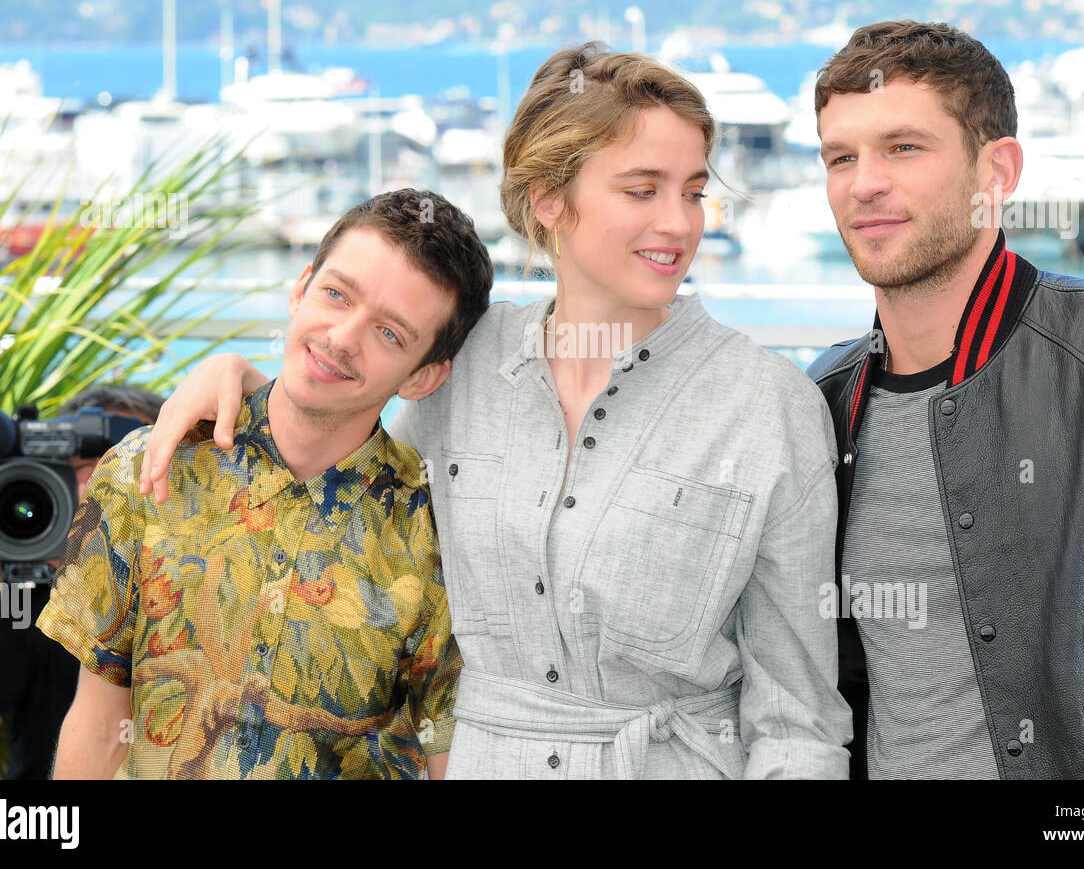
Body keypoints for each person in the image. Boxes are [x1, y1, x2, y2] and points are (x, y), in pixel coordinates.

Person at [140, 42, 852, 778]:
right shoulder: (464, 365)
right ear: (549, 198)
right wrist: (241, 377)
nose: (678, 222)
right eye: (643, 190)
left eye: (694, 191)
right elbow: (341, 446)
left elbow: (796, 723)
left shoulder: (770, 407)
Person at [807, 19, 1084, 779]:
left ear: (996, 169)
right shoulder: (822, 406)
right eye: (841, 156)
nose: (864, 181)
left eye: (903, 147)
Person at [35, 189, 493, 779]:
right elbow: (98, 726)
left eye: (390, 334)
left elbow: (446, 754)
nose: (342, 337)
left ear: (425, 375)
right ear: (301, 287)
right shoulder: (147, 467)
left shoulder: (433, 532)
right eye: (336, 295)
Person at [0, 385, 164, 779]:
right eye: (79, 467)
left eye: (127, 463)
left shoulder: (206, 585)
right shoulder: (31, 597)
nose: (100, 486)